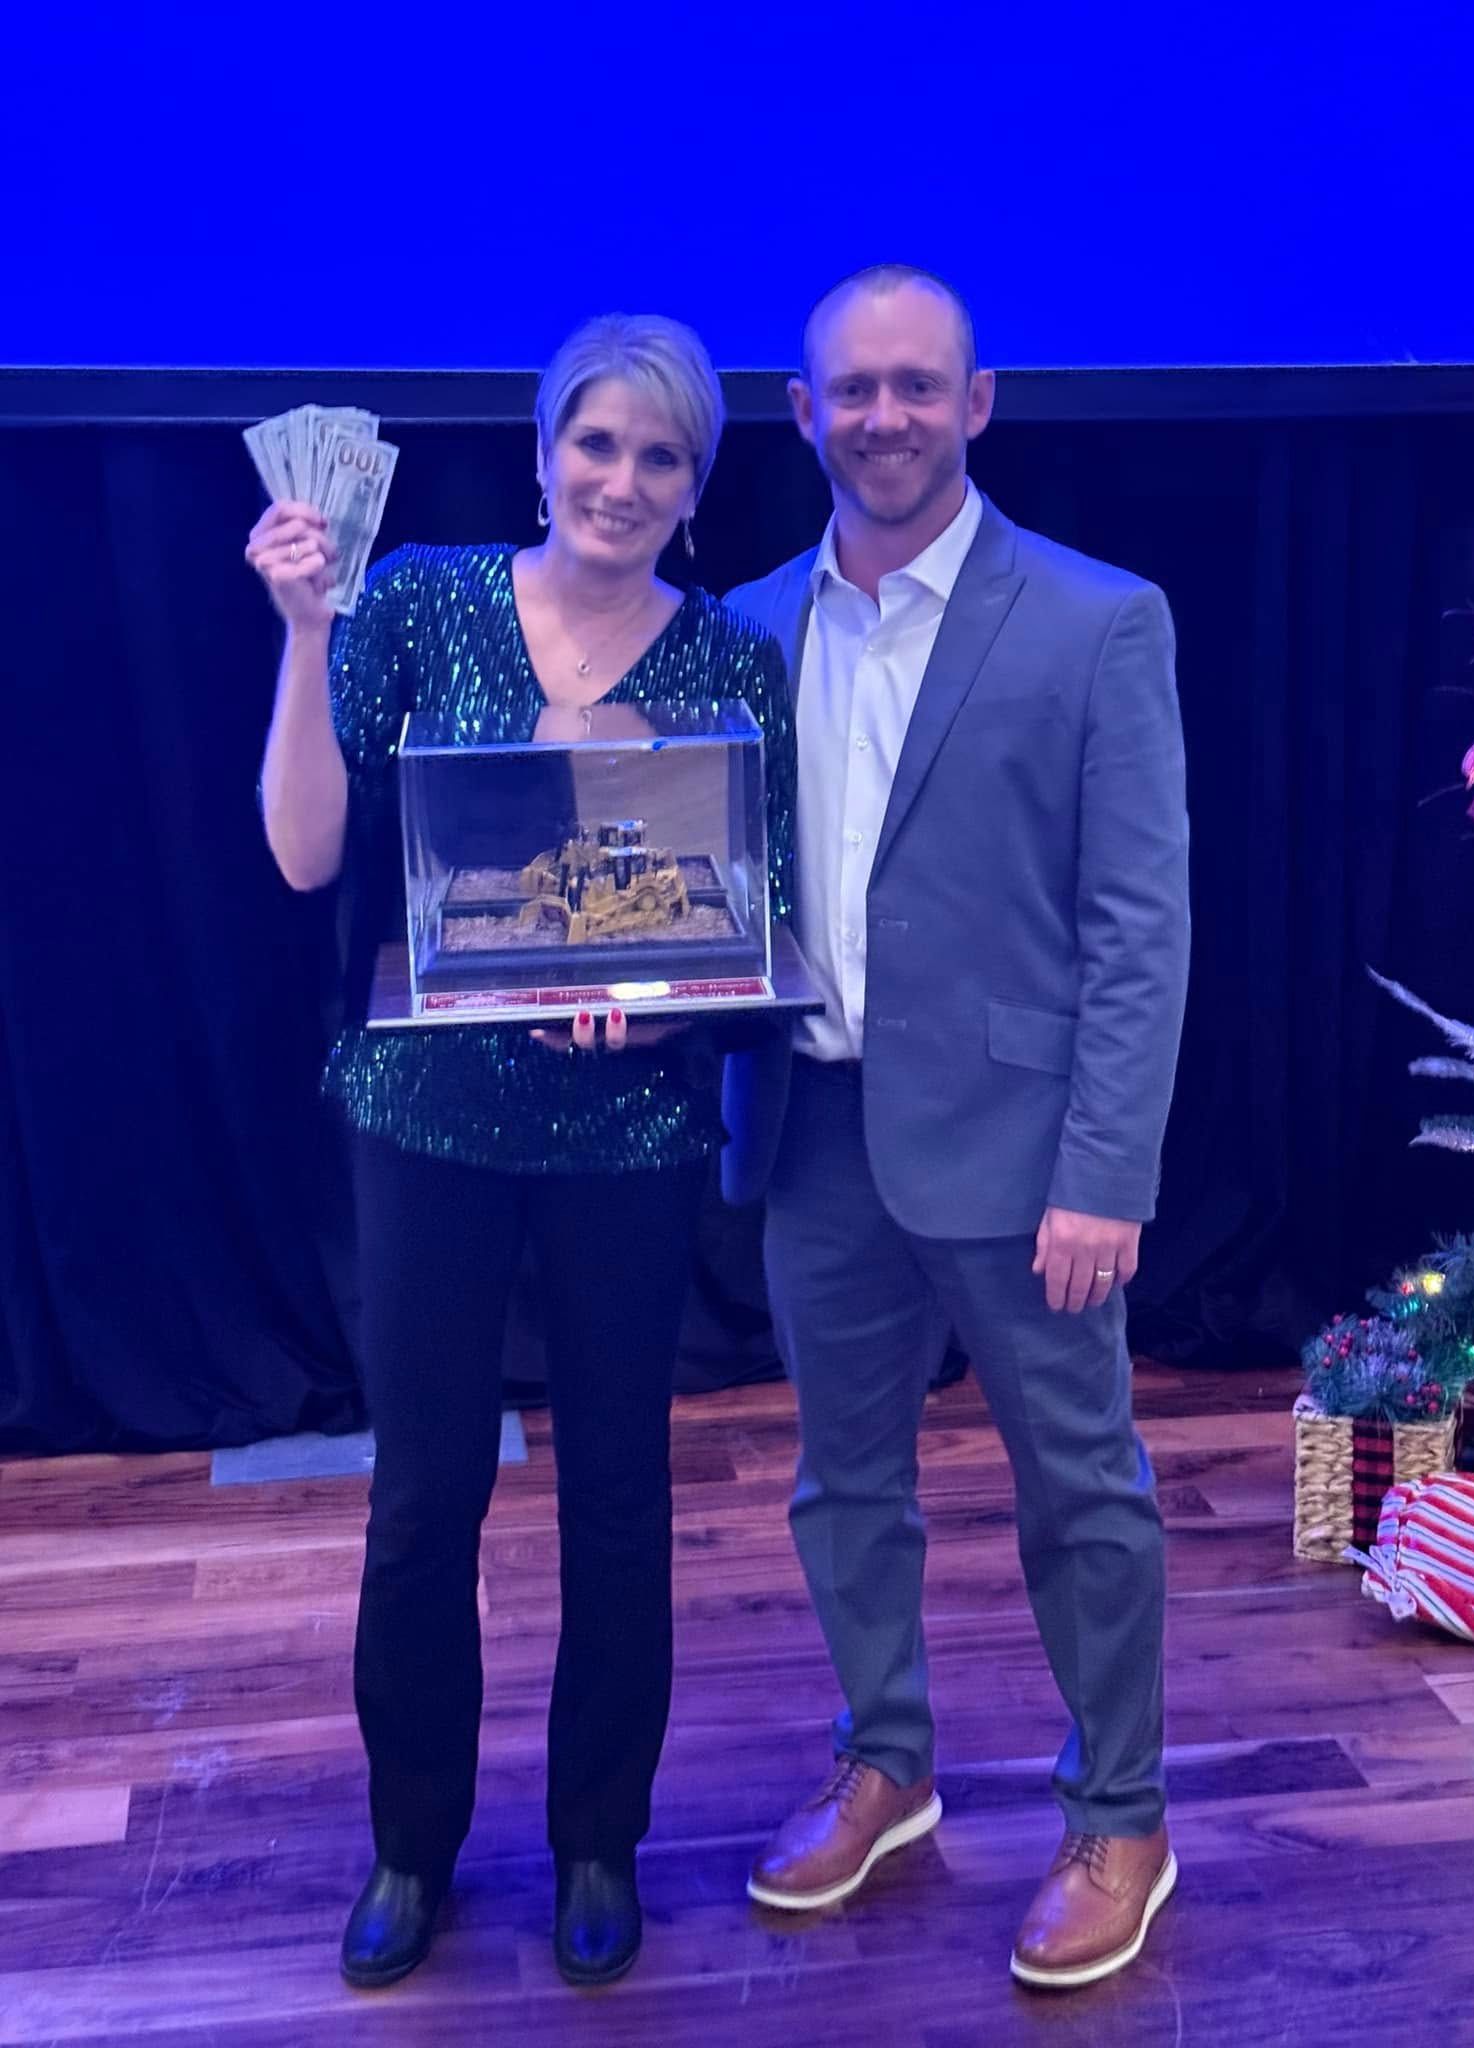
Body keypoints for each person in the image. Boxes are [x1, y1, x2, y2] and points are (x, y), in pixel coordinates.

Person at [246, 313, 794, 1992]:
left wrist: (666, 1017)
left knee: (620, 1498)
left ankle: (596, 1842)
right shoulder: (417, 602)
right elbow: (302, 857)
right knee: (426, 1497)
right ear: (545, 453)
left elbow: (746, 925)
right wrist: (305, 633)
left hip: (627, 1134)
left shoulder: (732, 663)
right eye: (597, 444)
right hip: (430, 1120)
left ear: (695, 486)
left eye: (660, 456)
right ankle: (412, 1847)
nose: (622, 481)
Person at [721, 265, 1189, 1991]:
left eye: (920, 385)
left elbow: (1141, 926)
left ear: (977, 404)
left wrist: (1106, 1174)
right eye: (854, 389)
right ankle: (887, 1761)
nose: (887, 416)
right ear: (803, 413)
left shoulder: (1098, 620)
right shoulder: (744, 630)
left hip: (1025, 1152)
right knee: (845, 1485)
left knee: (1083, 1492)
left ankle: (1121, 1815)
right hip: (814, 1131)